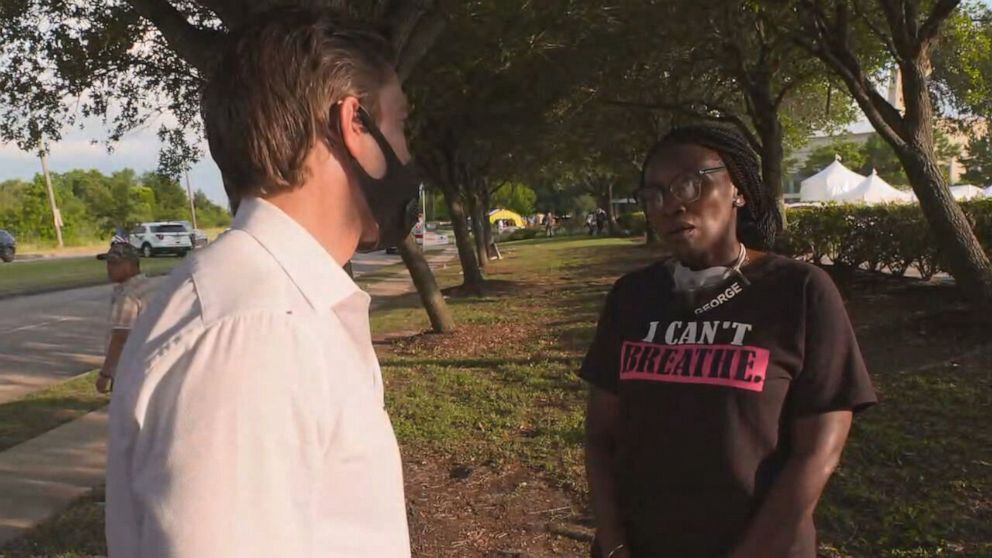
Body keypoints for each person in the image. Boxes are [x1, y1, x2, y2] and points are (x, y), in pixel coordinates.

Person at [106, 9, 418, 557]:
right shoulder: (259, 333)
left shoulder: (273, 303)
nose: (408, 153)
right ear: (354, 124)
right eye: (400, 124)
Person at [581, 124, 876, 558]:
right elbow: (600, 437)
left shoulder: (799, 290)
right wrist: (614, 545)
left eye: (688, 184)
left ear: (737, 187)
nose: (671, 205)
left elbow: (819, 452)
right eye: (654, 194)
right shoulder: (632, 296)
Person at [94, 243, 156, 394]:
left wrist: (105, 374)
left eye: (114, 264)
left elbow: (120, 338)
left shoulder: (128, 295)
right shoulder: (149, 286)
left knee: (123, 415)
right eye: (108, 263)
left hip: (128, 370)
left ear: (130, 265)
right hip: (148, 364)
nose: (109, 268)